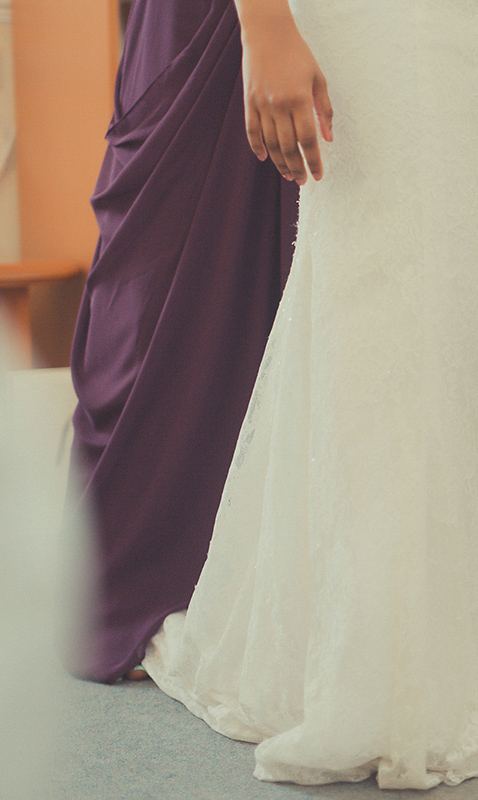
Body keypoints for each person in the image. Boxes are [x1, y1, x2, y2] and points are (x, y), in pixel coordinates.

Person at [142, 0, 478, 789]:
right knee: (375, 269)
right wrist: (263, 27)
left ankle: (469, 628)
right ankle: (368, 651)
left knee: (472, 289)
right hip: (365, 23)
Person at [71, 0, 299, 683]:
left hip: (335, 24)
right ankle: (131, 571)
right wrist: (266, 25)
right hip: (204, 20)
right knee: (156, 269)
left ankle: (260, 572)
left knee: (288, 278)